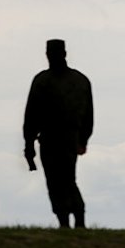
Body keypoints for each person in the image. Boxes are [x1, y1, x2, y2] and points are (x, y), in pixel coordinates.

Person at [24, 39, 94, 228]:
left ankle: (70, 220)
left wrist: (29, 143)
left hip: (55, 139)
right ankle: (73, 219)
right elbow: (89, 116)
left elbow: (31, 116)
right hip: (66, 139)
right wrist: (83, 139)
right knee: (65, 179)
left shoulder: (42, 80)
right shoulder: (80, 80)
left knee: (59, 181)